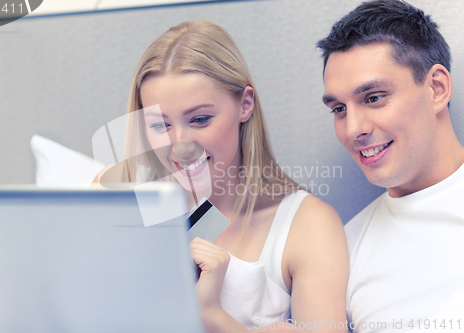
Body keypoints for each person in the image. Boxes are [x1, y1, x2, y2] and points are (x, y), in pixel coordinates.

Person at [108, 19, 349, 332]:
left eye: (200, 119)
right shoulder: (124, 206)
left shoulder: (307, 224)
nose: (180, 147)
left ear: (245, 105)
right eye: (160, 125)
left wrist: (214, 317)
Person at [317, 0, 464, 332]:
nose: (353, 129)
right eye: (338, 108)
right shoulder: (341, 252)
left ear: (436, 88)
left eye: (373, 97)